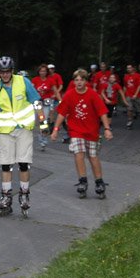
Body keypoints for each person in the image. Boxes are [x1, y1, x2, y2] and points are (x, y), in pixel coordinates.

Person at [0, 56, 46, 217]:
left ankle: (24, 194)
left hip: (23, 128)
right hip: (5, 131)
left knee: (23, 163)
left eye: (7, 71)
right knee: (6, 164)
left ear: (12, 71)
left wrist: (42, 121)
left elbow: (36, 101)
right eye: (2, 72)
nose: (5, 75)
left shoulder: (23, 82)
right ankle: (6, 197)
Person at [51, 69, 113, 199]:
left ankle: (99, 182)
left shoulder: (92, 94)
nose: (79, 82)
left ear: (86, 81)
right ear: (74, 82)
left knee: (93, 156)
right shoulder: (69, 95)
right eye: (76, 80)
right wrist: (55, 129)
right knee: (79, 154)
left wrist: (107, 128)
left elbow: (102, 112)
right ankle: (82, 181)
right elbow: (62, 113)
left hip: (91, 131)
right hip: (76, 131)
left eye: (81, 80)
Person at [31, 64, 60, 151]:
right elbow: (30, 90)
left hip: (46, 102)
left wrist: (61, 101)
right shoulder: (35, 80)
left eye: (44, 71)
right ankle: (40, 137)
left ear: (47, 72)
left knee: (44, 120)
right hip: (38, 102)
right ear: (38, 72)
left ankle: (43, 139)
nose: (42, 73)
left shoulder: (50, 80)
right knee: (38, 120)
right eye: (41, 71)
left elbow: (56, 91)